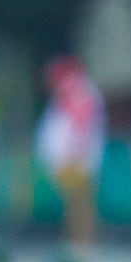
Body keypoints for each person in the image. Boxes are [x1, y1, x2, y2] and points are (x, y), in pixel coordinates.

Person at [35, 55, 107, 249]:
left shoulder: (78, 92)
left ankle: (82, 243)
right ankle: (78, 241)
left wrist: (73, 154)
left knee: (79, 203)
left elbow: (79, 127)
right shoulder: (67, 93)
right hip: (70, 158)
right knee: (74, 202)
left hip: (76, 158)